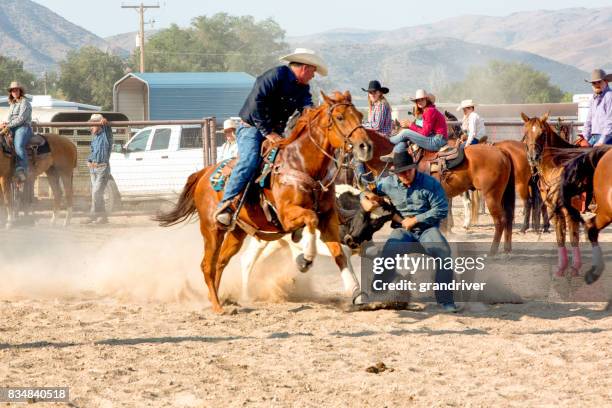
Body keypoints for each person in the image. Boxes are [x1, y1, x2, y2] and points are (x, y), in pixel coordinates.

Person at [215, 48, 328, 227]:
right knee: (250, 161)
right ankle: (226, 205)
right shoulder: (275, 76)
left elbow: (307, 108)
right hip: (251, 129)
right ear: (305, 68)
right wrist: (268, 133)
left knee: (292, 164)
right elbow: (255, 104)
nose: (313, 76)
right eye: (313, 72)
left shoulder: (303, 88)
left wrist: (318, 116)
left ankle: (280, 205)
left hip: (277, 133)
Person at [362, 150, 461, 312]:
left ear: (414, 167)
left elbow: (441, 209)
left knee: (443, 253)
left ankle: (446, 301)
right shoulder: (388, 183)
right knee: (388, 252)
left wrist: (415, 220)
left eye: (408, 170)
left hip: (427, 230)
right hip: (403, 232)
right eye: (400, 173)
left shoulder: (430, 183)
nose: (405, 175)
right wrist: (365, 199)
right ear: (395, 172)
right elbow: (366, 190)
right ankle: (376, 292)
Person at [380, 89, 447, 162]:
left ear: (426, 100)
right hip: (436, 138)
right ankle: (395, 154)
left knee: (405, 132)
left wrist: (410, 124)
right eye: (418, 100)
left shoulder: (429, 111)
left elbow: (425, 132)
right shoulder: (429, 110)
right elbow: (424, 129)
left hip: (437, 141)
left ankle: (388, 139)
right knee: (406, 137)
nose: (420, 101)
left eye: (422, 99)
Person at [356, 80, 393, 184]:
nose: (372, 94)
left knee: (358, 152)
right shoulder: (375, 105)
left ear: (380, 93)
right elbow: (372, 123)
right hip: (377, 136)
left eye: (374, 92)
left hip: (382, 137)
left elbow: (377, 125)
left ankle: (365, 181)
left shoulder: (381, 104)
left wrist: (361, 125)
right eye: (370, 92)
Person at [82, 113, 113, 225]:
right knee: (97, 194)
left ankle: (93, 215)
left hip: (102, 168)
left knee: (96, 193)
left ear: (99, 125)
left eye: (93, 125)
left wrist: (103, 120)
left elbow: (106, 125)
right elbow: (93, 152)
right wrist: (89, 161)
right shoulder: (95, 138)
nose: (90, 127)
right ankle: (103, 218)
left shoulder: (106, 135)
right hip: (94, 168)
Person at [0, 81, 33, 182]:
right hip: (12, 127)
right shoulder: (13, 103)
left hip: (23, 127)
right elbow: (11, 118)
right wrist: (5, 123)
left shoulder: (25, 102)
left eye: (16, 90)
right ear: (11, 92)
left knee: (18, 145)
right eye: (12, 90)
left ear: (20, 91)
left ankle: (22, 169)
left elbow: (21, 118)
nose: (14, 92)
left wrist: (8, 126)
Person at [583, 69, 612, 146]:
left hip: (608, 138)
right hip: (593, 137)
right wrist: (584, 138)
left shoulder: (609, 96)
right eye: (594, 83)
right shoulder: (593, 99)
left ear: (605, 82)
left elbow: (610, 121)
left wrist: (601, 141)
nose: (596, 84)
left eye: (599, 82)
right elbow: (588, 120)